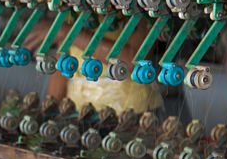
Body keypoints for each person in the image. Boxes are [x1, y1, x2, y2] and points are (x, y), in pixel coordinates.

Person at [25, 16, 163, 114]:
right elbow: (63, 64)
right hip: (78, 113)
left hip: (130, 113)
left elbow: (134, 61)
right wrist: (48, 112)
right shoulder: (72, 11)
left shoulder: (138, 9)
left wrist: (68, 32)